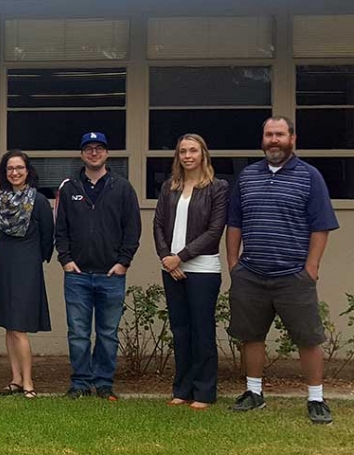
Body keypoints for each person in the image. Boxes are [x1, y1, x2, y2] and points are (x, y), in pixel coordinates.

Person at [226, 116, 339, 424]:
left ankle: (316, 398)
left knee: (308, 338)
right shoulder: (247, 176)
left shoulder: (310, 176)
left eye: (279, 134)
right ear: (262, 140)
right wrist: (234, 264)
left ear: (292, 138)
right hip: (251, 273)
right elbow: (234, 223)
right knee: (251, 335)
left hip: (293, 276)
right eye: (268, 135)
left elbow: (321, 226)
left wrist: (311, 268)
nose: (273, 140)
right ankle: (254, 393)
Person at [55, 131, 141, 401]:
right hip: (78, 275)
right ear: (82, 154)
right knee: (78, 334)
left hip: (111, 275)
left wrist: (124, 262)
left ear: (107, 153)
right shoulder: (69, 188)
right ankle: (80, 383)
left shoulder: (122, 187)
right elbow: (61, 229)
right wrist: (66, 260)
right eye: (89, 148)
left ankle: (104, 383)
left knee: (107, 334)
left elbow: (132, 229)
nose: (94, 153)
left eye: (99, 148)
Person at [152, 134, 227, 410]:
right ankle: (182, 389)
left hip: (203, 269)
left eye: (193, 150)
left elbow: (214, 231)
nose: (187, 156)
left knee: (202, 331)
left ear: (203, 154)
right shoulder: (169, 187)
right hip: (172, 269)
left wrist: (180, 257)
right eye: (182, 151)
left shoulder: (217, 188)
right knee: (180, 331)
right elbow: (158, 225)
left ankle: (204, 392)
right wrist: (166, 258)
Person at [0, 151, 53, 399]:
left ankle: (28, 382)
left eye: (19, 168)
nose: (15, 172)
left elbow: (48, 239)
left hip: (28, 266)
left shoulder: (40, 201)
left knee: (19, 326)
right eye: (10, 168)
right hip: (2, 264)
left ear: (28, 171)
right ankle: (14, 379)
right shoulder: (0, 200)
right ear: (4, 173)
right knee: (8, 326)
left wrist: (34, 261)